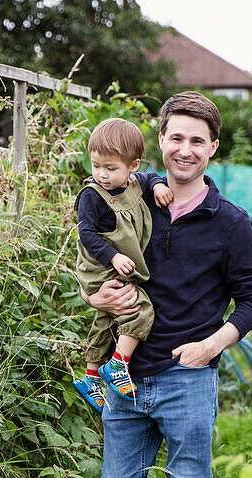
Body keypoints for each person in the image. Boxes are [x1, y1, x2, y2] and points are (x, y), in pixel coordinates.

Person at [82, 92, 252, 478]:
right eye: (175, 138)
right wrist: (98, 302)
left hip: (187, 376)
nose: (184, 150)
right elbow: (91, 266)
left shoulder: (229, 222)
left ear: (212, 148)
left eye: (196, 140)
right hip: (127, 375)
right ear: (159, 142)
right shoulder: (128, 200)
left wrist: (213, 345)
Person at [72, 118, 173, 412]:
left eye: (111, 168)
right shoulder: (93, 196)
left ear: (133, 166)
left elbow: (151, 176)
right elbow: (86, 233)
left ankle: (91, 376)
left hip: (116, 266)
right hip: (101, 267)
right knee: (139, 309)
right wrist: (112, 256)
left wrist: (156, 186)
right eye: (96, 166)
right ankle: (117, 365)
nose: (102, 175)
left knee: (107, 319)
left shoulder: (134, 183)